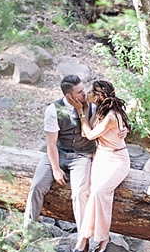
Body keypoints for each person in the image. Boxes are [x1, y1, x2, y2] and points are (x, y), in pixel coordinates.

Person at [23, 75, 96, 234]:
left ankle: (83, 237)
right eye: (80, 92)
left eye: (83, 89)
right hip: (59, 151)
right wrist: (55, 168)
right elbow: (50, 143)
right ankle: (28, 232)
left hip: (82, 155)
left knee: (79, 193)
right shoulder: (53, 110)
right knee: (37, 186)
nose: (84, 94)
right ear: (69, 96)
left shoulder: (92, 107)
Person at [73, 80, 131, 252]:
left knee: (100, 192)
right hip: (100, 158)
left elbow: (89, 134)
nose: (87, 93)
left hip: (117, 160)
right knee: (91, 193)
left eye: (91, 92)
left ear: (99, 96)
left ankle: (91, 238)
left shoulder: (112, 116)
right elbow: (87, 133)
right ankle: (94, 237)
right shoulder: (99, 111)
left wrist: (82, 116)